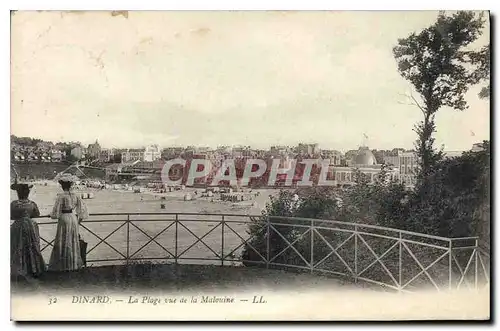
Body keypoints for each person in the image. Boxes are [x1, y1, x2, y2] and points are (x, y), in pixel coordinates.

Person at [48, 173, 89, 272]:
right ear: (70, 185)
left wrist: (51, 215)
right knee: (72, 241)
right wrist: (78, 222)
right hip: (73, 219)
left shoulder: (61, 196)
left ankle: (63, 265)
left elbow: (55, 214)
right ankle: (72, 263)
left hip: (64, 219)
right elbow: (83, 211)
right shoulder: (76, 195)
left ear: (62, 185)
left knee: (63, 240)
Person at [10, 181, 46, 278]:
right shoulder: (32, 203)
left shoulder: (14, 204)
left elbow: (11, 216)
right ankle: (34, 268)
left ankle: (20, 268)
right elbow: (37, 214)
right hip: (31, 226)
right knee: (32, 245)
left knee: (18, 246)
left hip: (18, 226)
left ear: (18, 193)